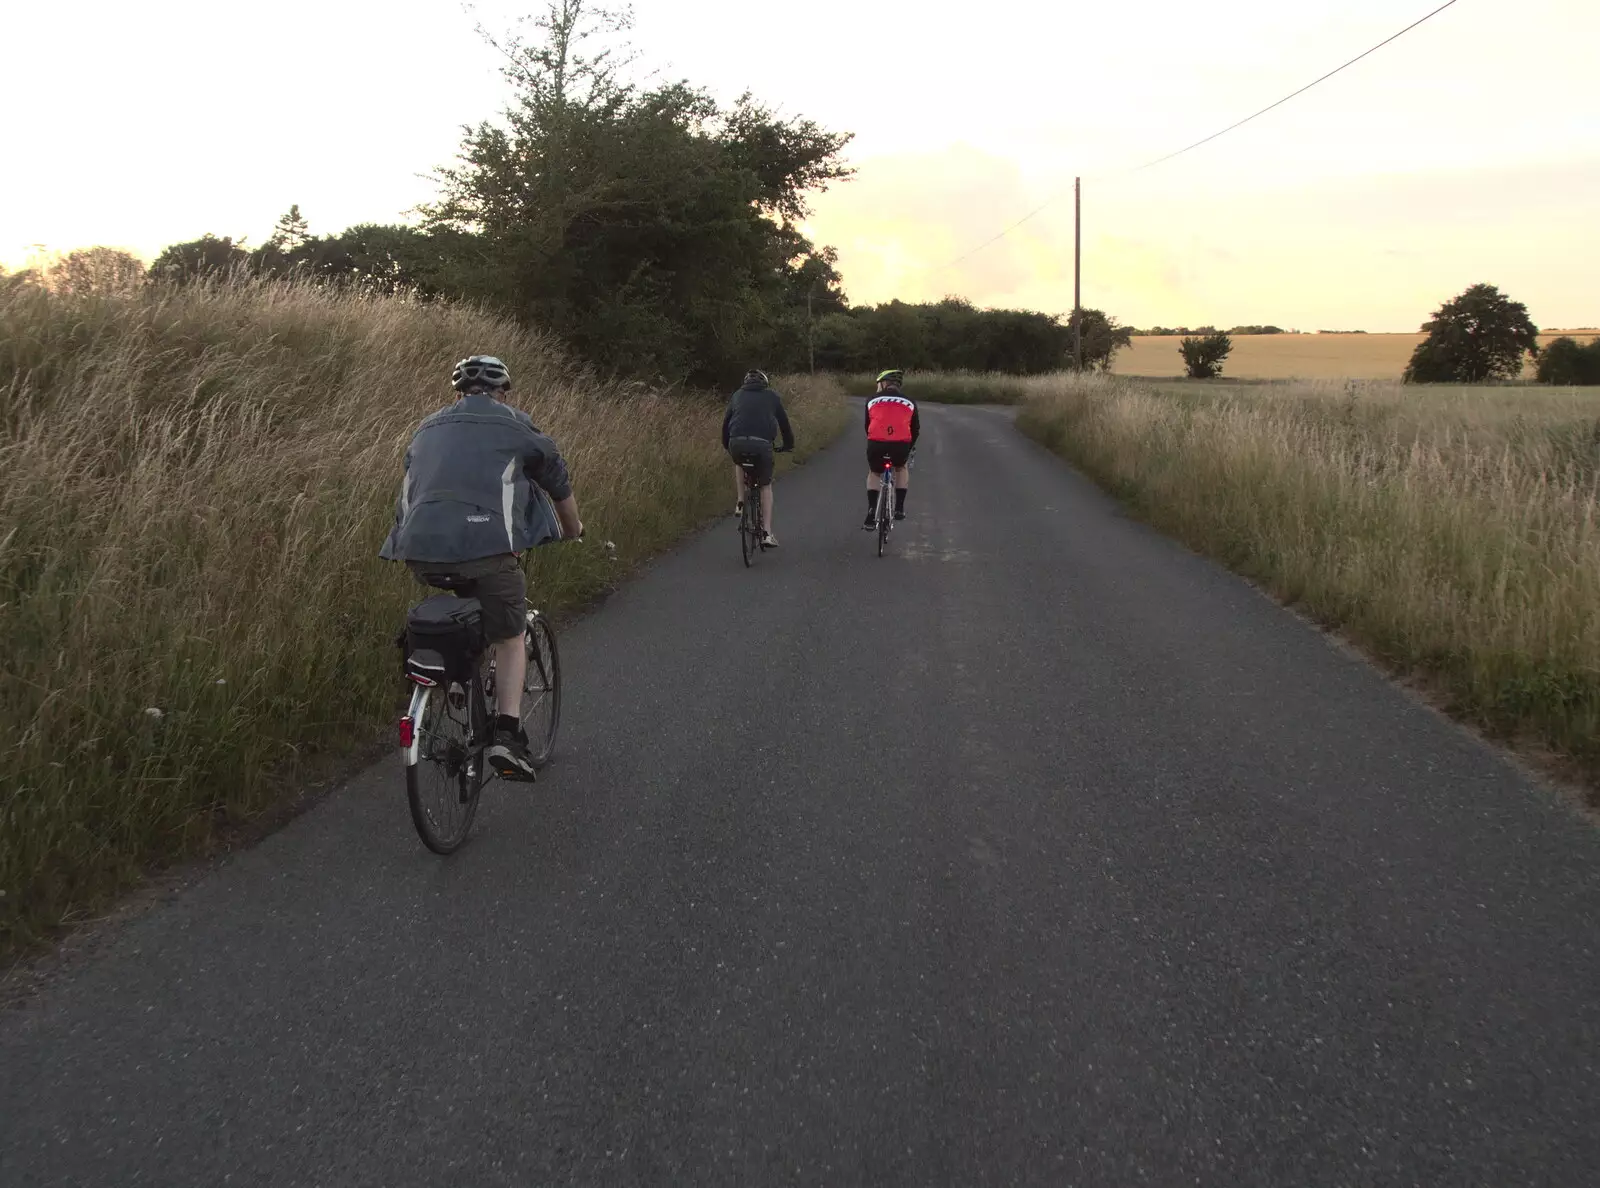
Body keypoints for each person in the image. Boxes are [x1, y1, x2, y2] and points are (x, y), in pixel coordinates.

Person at [380, 355, 583, 781]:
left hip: (418, 549)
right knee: (509, 634)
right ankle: (508, 734)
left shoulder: (426, 427)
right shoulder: (514, 423)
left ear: (457, 393)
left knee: (468, 608)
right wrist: (572, 529)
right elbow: (555, 476)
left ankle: (457, 685)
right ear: (502, 392)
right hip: (486, 549)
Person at [722, 368, 794, 548]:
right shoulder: (772, 396)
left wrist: (727, 445)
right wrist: (788, 445)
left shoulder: (737, 395)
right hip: (762, 445)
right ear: (765, 383)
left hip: (736, 443)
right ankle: (767, 533)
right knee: (765, 486)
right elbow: (784, 425)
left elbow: (726, 423)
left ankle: (740, 501)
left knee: (738, 462)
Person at [863, 368, 920, 527]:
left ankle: (871, 512)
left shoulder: (871, 400)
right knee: (901, 468)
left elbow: (867, 426)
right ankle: (899, 508)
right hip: (901, 444)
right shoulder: (910, 402)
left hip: (876, 443)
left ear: (883, 383)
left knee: (874, 472)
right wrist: (910, 447)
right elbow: (915, 429)